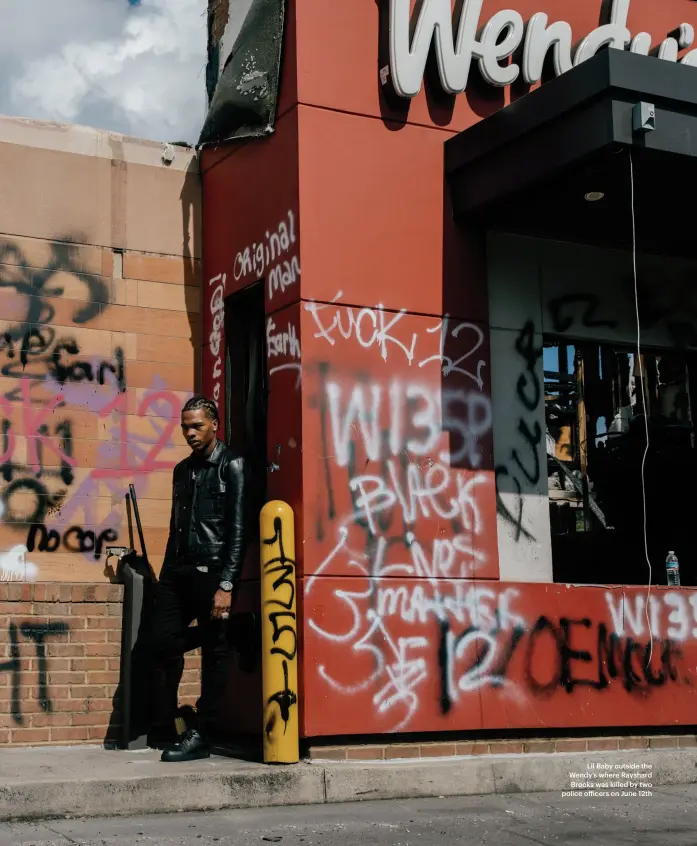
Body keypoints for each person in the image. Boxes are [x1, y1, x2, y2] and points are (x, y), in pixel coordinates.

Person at [151, 395, 246, 762]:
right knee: (160, 644)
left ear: (214, 425)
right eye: (185, 426)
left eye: (197, 426)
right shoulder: (182, 470)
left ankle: (201, 732)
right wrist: (164, 577)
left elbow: (238, 529)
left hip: (213, 573)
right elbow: (176, 529)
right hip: (179, 571)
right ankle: (176, 721)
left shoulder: (232, 465)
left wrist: (227, 584)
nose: (189, 433)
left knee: (215, 656)